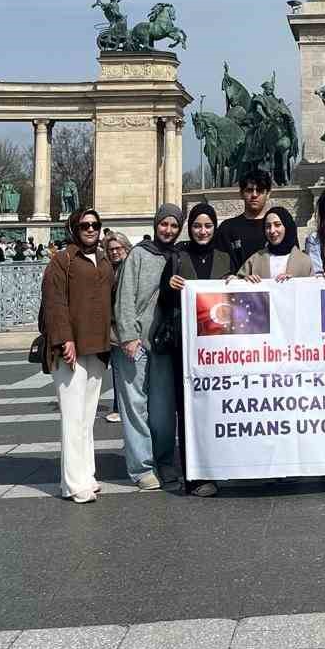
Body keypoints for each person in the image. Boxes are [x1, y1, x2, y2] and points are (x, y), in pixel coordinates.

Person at [40, 207, 115, 503]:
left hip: (97, 346)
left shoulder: (104, 260)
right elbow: (54, 302)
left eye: (95, 224)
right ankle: (72, 483)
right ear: (74, 228)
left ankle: (87, 474)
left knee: (86, 418)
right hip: (69, 348)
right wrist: (64, 339)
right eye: (85, 225)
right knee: (72, 418)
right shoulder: (62, 260)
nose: (91, 229)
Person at [166, 203, 235, 497]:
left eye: (207, 226)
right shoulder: (178, 256)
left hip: (218, 348)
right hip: (186, 346)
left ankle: (219, 465)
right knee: (188, 409)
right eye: (197, 226)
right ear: (189, 228)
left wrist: (236, 282)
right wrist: (168, 285)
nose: (202, 231)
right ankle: (193, 475)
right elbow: (164, 300)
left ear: (214, 228)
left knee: (216, 408)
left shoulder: (225, 258)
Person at [112, 204, 182, 491]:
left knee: (164, 409)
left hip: (164, 343)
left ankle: (164, 460)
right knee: (135, 407)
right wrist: (128, 336)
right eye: (164, 224)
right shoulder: (138, 254)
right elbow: (124, 297)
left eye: (174, 225)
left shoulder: (178, 256)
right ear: (156, 225)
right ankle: (141, 467)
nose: (168, 230)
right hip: (136, 342)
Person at [238, 207, 325, 281]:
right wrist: (246, 281)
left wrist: (293, 283)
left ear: (287, 227)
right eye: (268, 226)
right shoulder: (255, 259)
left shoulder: (305, 261)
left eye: (277, 225)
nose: (272, 231)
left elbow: (312, 290)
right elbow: (236, 284)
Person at [215, 168, 274, 273]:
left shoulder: (278, 228)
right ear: (241, 193)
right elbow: (219, 267)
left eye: (260, 190)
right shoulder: (226, 229)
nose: (254, 195)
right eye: (250, 190)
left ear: (268, 194)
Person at [103, 234, 131, 423]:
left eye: (117, 248)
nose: (114, 252)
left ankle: (121, 407)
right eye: (111, 249)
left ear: (126, 248)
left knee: (125, 370)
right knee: (118, 370)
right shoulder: (110, 269)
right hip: (112, 327)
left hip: (124, 327)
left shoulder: (127, 268)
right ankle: (119, 406)